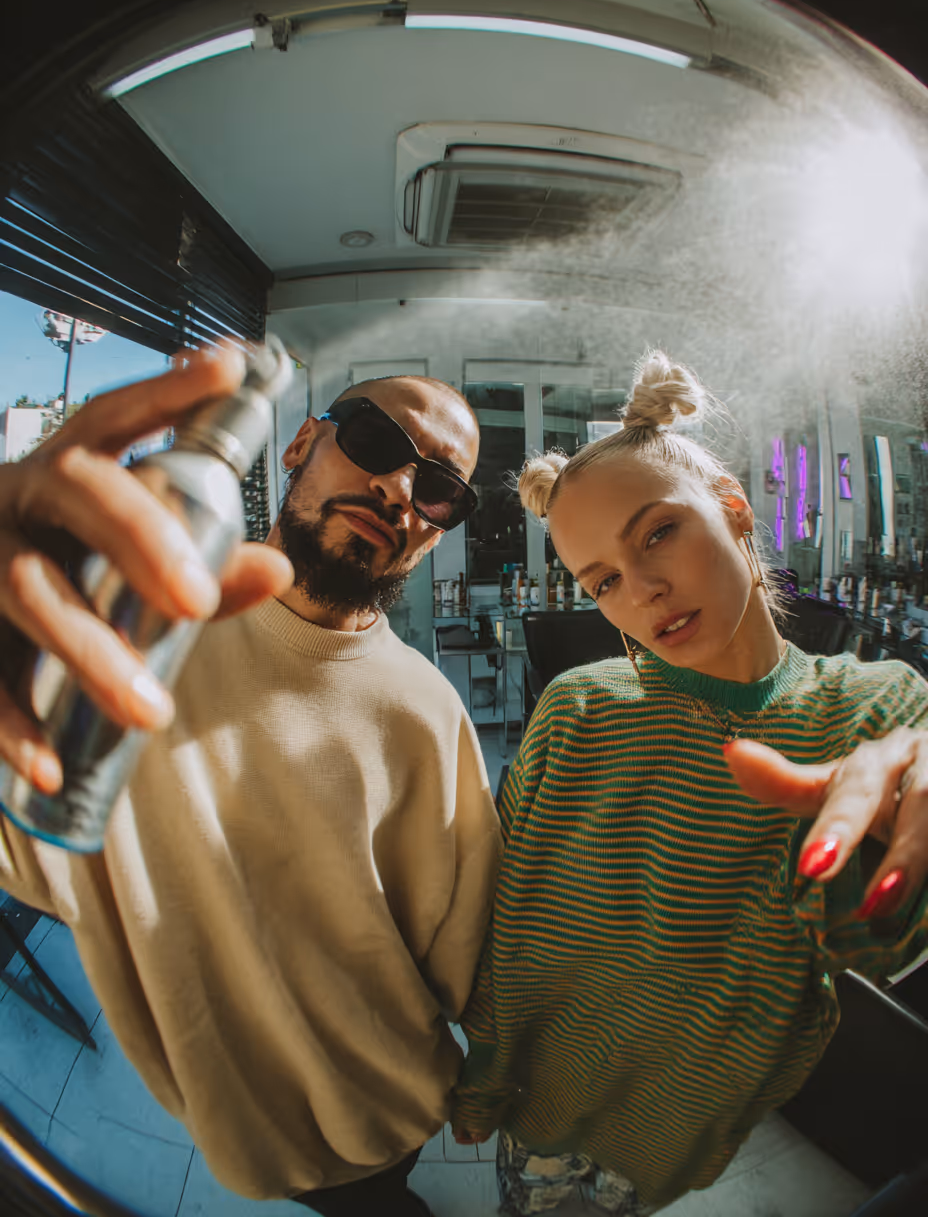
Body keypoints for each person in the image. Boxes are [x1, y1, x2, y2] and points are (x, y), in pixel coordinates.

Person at [0, 344, 501, 1217]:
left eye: (440, 490)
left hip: (381, 1129)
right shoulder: (126, 628)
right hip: (188, 1135)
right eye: (378, 440)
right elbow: (28, 853)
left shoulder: (426, 710)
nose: (398, 491)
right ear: (303, 439)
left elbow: (474, 963)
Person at [451, 350, 928, 1216]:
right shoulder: (579, 712)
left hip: (686, 1128)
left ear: (735, 511)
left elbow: (877, 942)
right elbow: (510, 922)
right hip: (546, 1108)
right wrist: (485, 1071)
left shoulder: (877, 708)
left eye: (658, 532)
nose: (643, 590)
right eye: (602, 581)